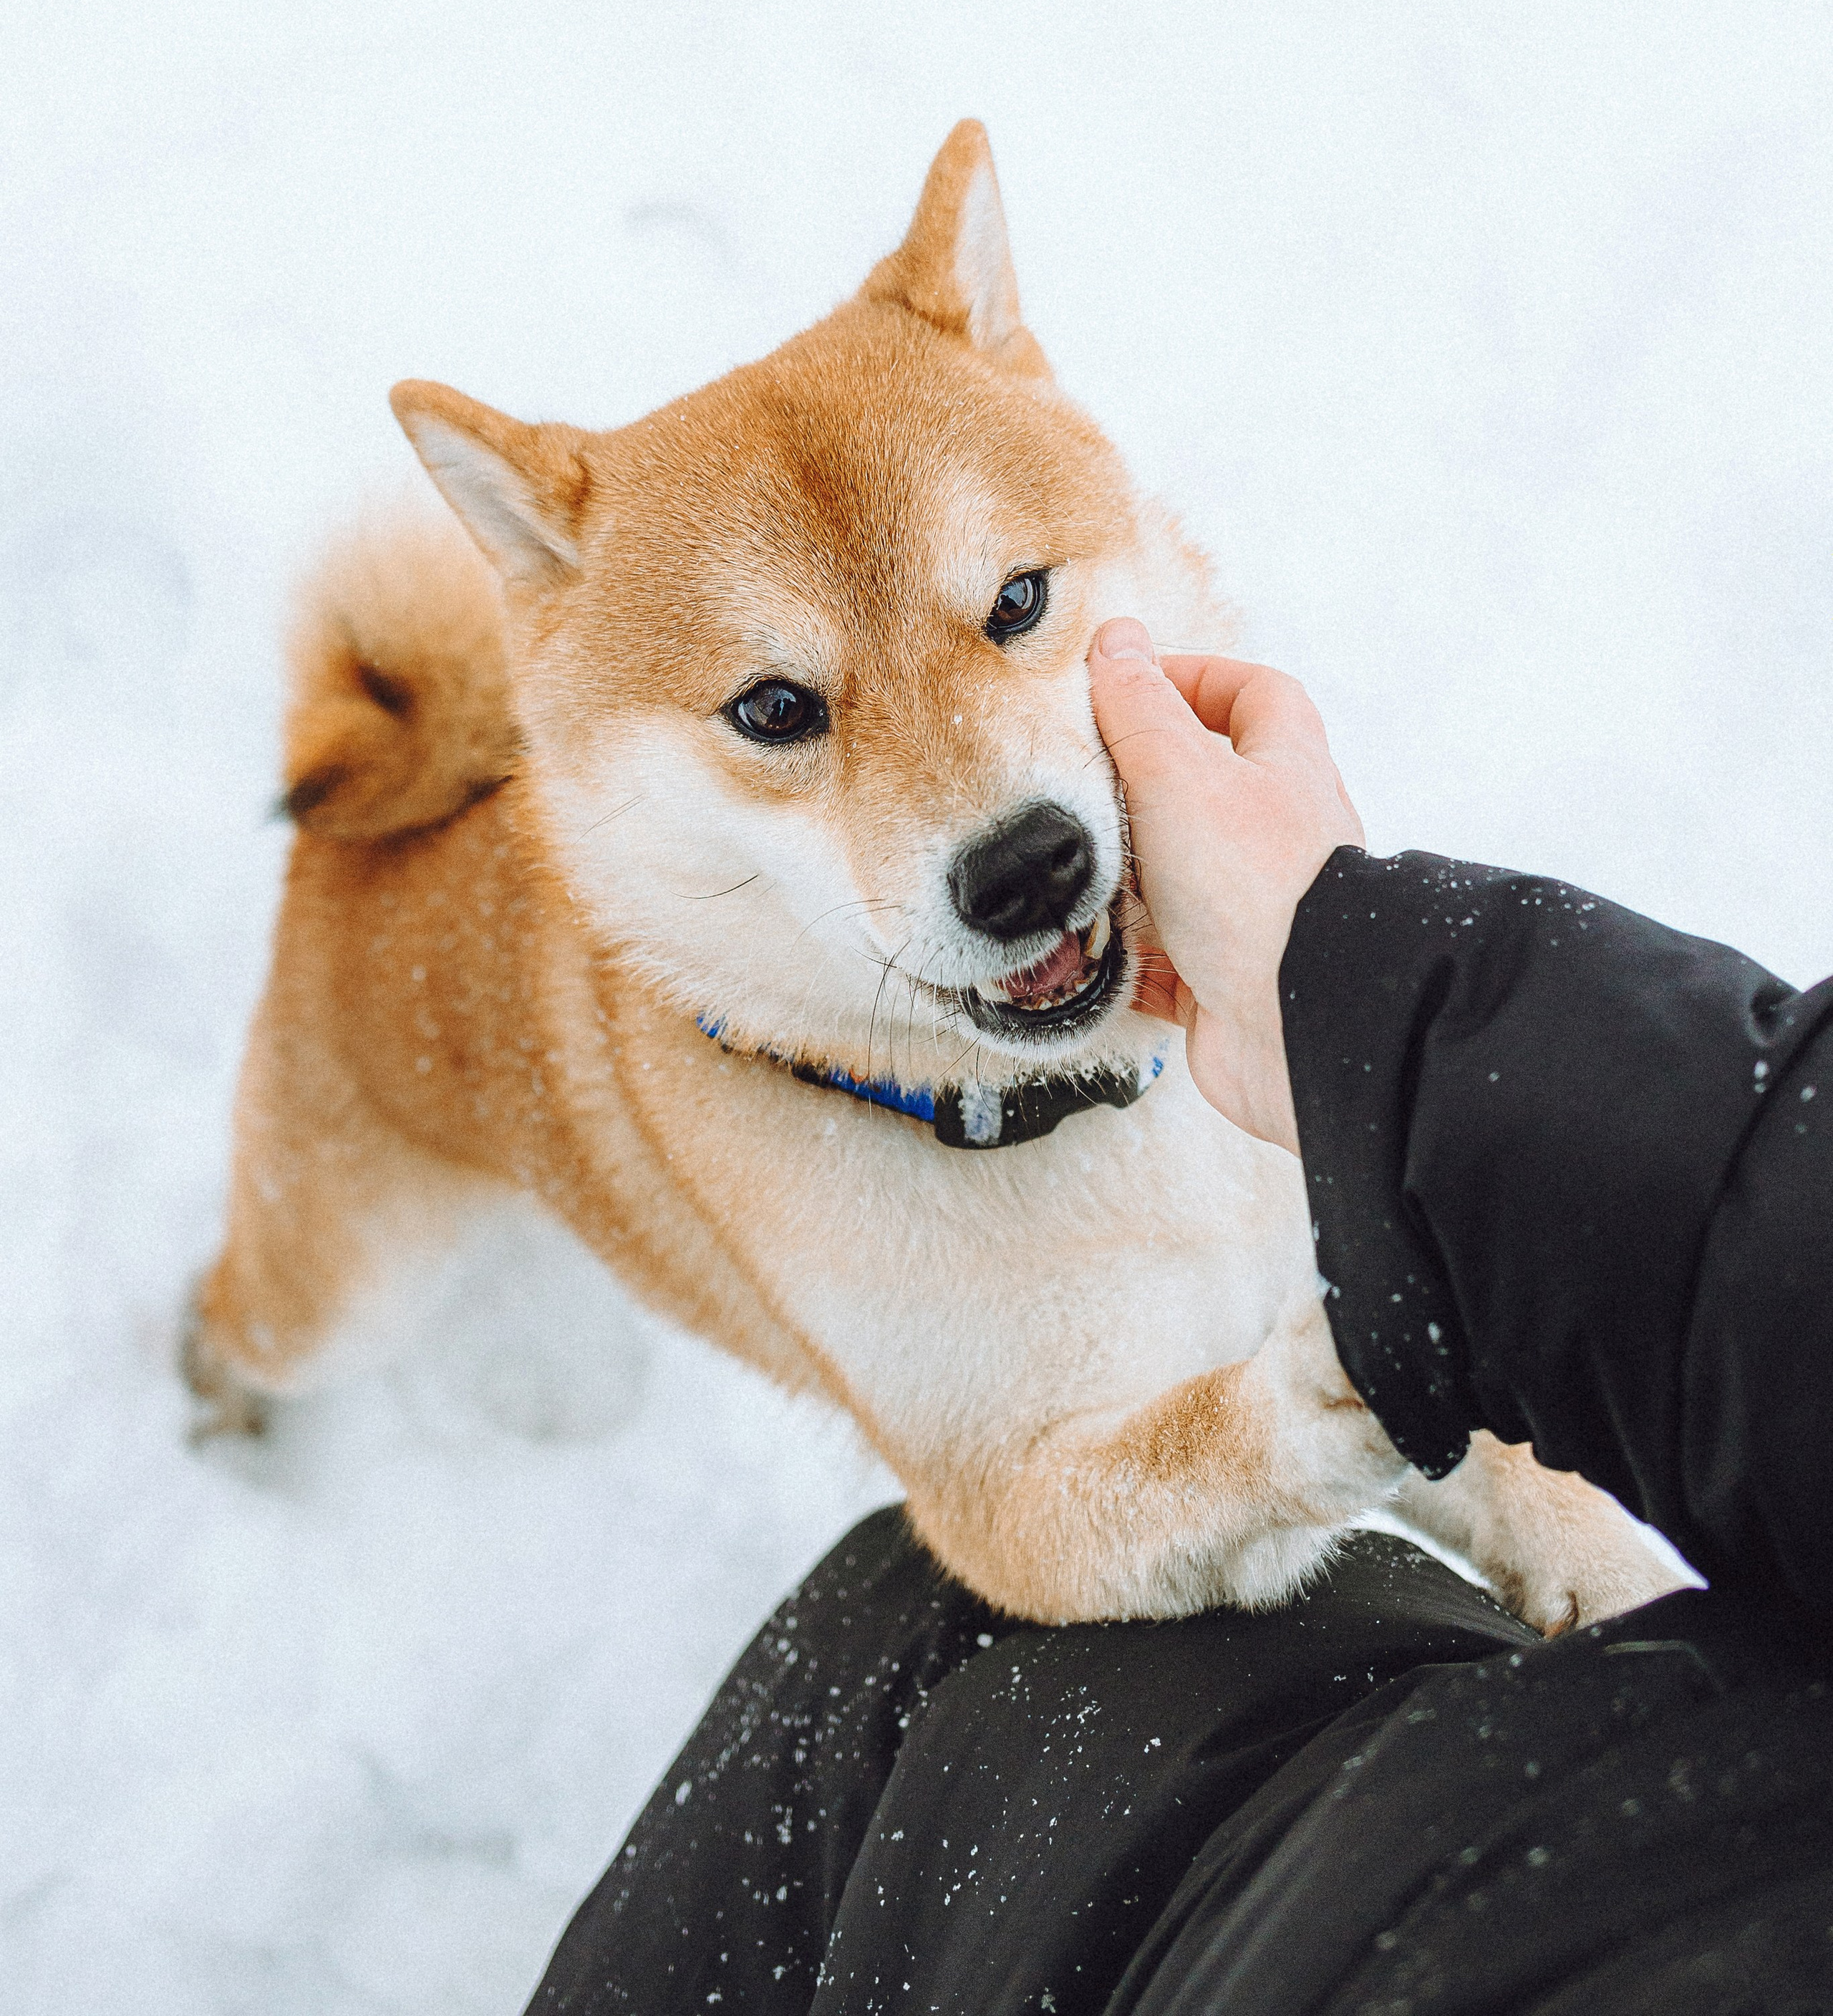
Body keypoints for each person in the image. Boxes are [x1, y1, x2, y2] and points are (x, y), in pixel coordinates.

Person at [526, 623, 1833, 2016]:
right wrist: (1354, 996)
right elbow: (1009, 1503)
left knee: (891, 1649)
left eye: (1014, 606)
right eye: (782, 705)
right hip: (1466, 1832)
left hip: (1287, 1883)